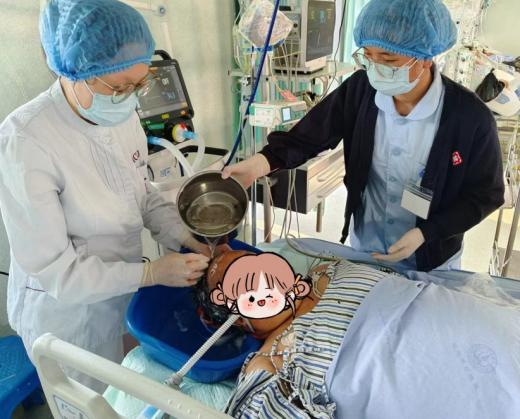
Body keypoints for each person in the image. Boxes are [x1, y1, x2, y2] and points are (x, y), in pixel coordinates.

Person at [0, 0, 215, 392]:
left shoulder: (121, 114)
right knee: (90, 405)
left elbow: (140, 193)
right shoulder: (25, 141)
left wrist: (182, 236)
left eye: (139, 85)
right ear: (74, 73)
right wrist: (151, 274)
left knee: (122, 390)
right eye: (119, 88)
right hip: (67, 317)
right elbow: (59, 273)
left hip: (117, 294)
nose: (130, 97)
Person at [223, 0, 505, 272]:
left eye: (389, 59)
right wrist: (259, 164)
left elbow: (485, 195)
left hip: (432, 254)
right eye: (368, 56)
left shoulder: (470, 117)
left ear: (425, 58)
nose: (376, 68)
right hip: (367, 242)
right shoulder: (360, 90)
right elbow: (308, 137)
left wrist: (426, 233)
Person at [195, 251, 520, 418]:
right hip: (444, 386)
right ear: (236, 319)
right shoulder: (269, 362)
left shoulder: (326, 269)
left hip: (482, 324)